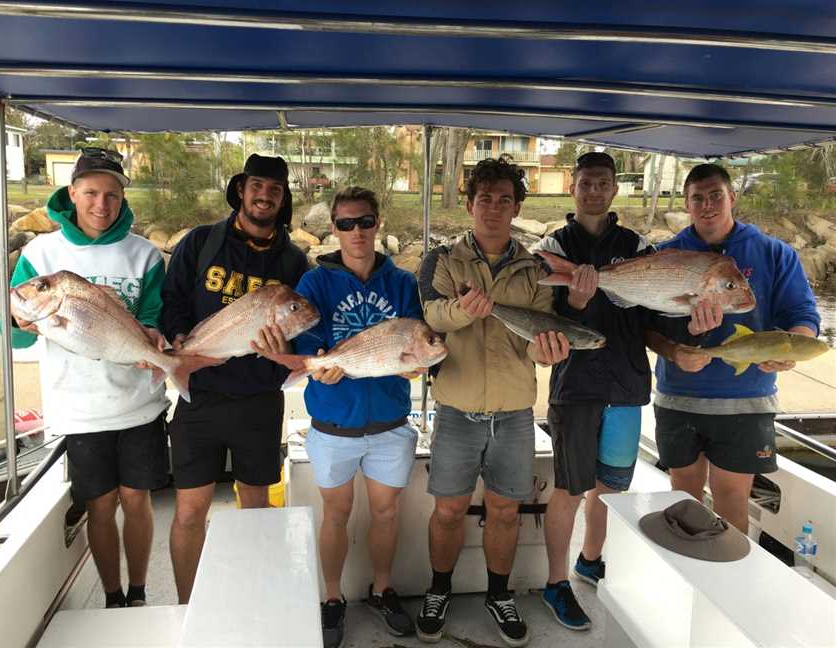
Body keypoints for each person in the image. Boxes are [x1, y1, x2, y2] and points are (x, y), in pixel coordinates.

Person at [530, 152, 721, 632]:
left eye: (602, 183)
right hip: (574, 389)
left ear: (615, 189)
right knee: (570, 489)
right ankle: (556, 583)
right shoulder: (553, 245)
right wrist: (574, 300)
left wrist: (686, 339)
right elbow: (541, 319)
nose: (593, 190)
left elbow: (654, 321)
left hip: (627, 385)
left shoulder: (638, 246)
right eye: (585, 183)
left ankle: (589, 560)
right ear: (571, 187)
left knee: (611, 488)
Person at [417, 158, 569, 647]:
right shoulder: (441, 259)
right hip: (456, 411)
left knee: (505, 511)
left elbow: (537, 334)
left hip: (515, 414)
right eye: (485, 198)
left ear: (518, 207)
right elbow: (432, 319)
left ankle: (498, 595)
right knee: (447, 511)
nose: (495, 208)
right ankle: (439, 590)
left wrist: (548, 350)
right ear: (469, 204)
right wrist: (463, 310)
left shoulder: (536, 268)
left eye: (505, 199)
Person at [11, 148, 169, 608]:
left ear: (123, 198)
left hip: (141, 402)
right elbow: (18, 339)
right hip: (78, 410)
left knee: (137, 501)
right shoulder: (39, 254)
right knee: (101, 506)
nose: (102, 204)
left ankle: (138, 593)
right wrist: (19, 325)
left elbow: (154, 318)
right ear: (72, 194)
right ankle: (112, 595)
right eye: (92, 193)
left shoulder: (145, 254)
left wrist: (153, 341)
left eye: (113, 195)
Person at [160, 154, 308, 603]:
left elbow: (304, 332)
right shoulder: (200, 243)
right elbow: (172, 301)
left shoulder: (294, 261)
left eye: (275, 190)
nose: (265, 195)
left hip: (259, 402)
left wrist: (284, 352)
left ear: (282, 201)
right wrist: (182, 342)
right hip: (198, 398)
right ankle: (189, 606)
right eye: (257, 185)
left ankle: (252, 601)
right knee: (188, 512)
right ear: (241, 189)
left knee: (257, 508)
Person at [645, 163, 820, 533]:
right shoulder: (665, 255)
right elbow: (645, 327)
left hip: (746, 399)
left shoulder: (774, 253)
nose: (707, 205)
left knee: (731, 501)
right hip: (680, 396)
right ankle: (686, 582)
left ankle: (728, 584)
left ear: (732, 198)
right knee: (684, 500)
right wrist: (675, 352)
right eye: (698, 198)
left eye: (716, 195)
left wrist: (790, 346)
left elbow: (802, 313)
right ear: (687, 204)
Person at [293, 186, 423, 648]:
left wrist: (420, 362)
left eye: (364, 221)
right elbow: (306, 346)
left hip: (390, 425)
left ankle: (383, 588)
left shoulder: (404, 283)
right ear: (333, 229)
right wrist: (320, 363)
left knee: (386, 513)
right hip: (333, 424)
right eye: (346, 224)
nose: (356, 232)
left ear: (377, 223)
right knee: (336, 513)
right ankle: (332, 598)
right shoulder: (315, 283)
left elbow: (416, 344)